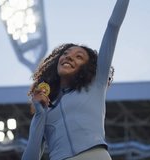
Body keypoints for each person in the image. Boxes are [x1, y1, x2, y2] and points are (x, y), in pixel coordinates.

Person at [22, 0, 130, 159]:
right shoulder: (45, 110)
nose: (69, 57)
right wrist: (39, 114)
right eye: (65, 54)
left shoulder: (96, 85)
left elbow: (113, 27)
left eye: (79, 57)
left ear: (88, 68)